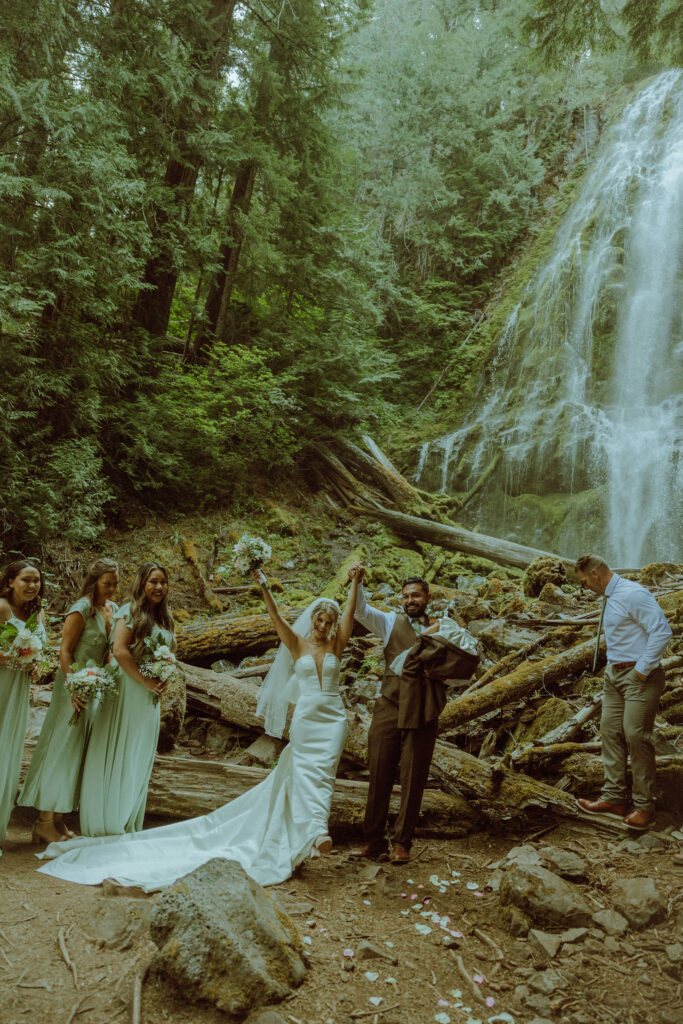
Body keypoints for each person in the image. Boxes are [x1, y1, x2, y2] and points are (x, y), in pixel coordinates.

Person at [37, 568, 360, 889]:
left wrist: (355, 582)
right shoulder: (297, 644)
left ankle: (316, 829)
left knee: (322, 775)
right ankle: (313, 832)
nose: (323, 626)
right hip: (306, 719)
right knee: (302, 772)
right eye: (319, 619)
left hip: (333, 720)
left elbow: (349, 614)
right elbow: (275, 616)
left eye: (328, 622)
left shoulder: (337, 645)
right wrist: (264, 588)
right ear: (312, 619)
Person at [19, 559, 119, 843]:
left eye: (115, 583)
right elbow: (64, 651)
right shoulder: (81, 609)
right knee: (62, 748)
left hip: (95, 685)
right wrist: (74, 686)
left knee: (78, 751)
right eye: (106, 583)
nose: (111, 588)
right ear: (94, 581)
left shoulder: (111, 609)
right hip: (73, 684)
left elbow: (109, 651)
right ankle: (44, 820)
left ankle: (59, 819)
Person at [349, 567, 440, 864]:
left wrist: (437, 676)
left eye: (416, 595)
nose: (410, 600)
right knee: (379, 772)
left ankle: (402, 843)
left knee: (413, 777)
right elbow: (360, 612)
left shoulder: (445, 626)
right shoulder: (389, 622)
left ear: (427, 597)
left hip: (423, 708)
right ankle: (373, 840)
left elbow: (461, 665)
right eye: (405, 596)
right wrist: (358, 582)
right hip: (388, 704)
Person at [575, 554, 672, 830]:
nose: (585, 588)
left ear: (595, 574)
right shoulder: (610, 596)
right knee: (609, 731)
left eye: (584, 582)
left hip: (640, 675)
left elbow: (662, 632)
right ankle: (614, 797)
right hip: (615, 674)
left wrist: (640, 671)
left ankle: (644, 807)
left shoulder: (633, 593)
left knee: (635, 736)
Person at [0, 560, 47, 855]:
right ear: (10, 583)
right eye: (26, 580)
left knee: (7, 754)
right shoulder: (2, 608)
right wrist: (10, 657)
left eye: (37, 581)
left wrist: (35, 665)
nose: (32, 586)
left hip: (17, 688)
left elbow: (40, 649)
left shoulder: (37, 612)